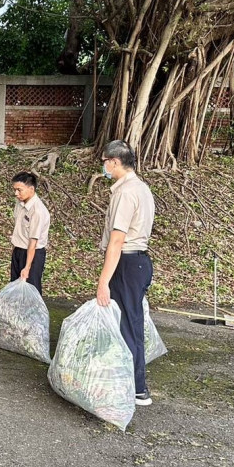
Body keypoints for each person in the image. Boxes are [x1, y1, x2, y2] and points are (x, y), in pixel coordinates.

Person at [96, 140, 155, 406]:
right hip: (138, 263)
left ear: (115, 162)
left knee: (128, 326)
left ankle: (137, 388)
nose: (104, 167)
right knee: (128, 323)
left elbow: (117, 241)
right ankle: (127, 381)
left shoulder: (125, 192)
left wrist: (103, 281)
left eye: (105, 162)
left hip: (127, 263)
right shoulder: (141, 188)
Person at [9, 171, 50, 295]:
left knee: (31, 290)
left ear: (31, 189)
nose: (16, 193)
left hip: (33, 254)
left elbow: (33, 242)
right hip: (19, 250)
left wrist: (27, 267)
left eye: (19, 190)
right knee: (15, 288)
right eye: (15, 190)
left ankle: (34, 314)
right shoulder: (20, 203)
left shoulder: (37, 211)